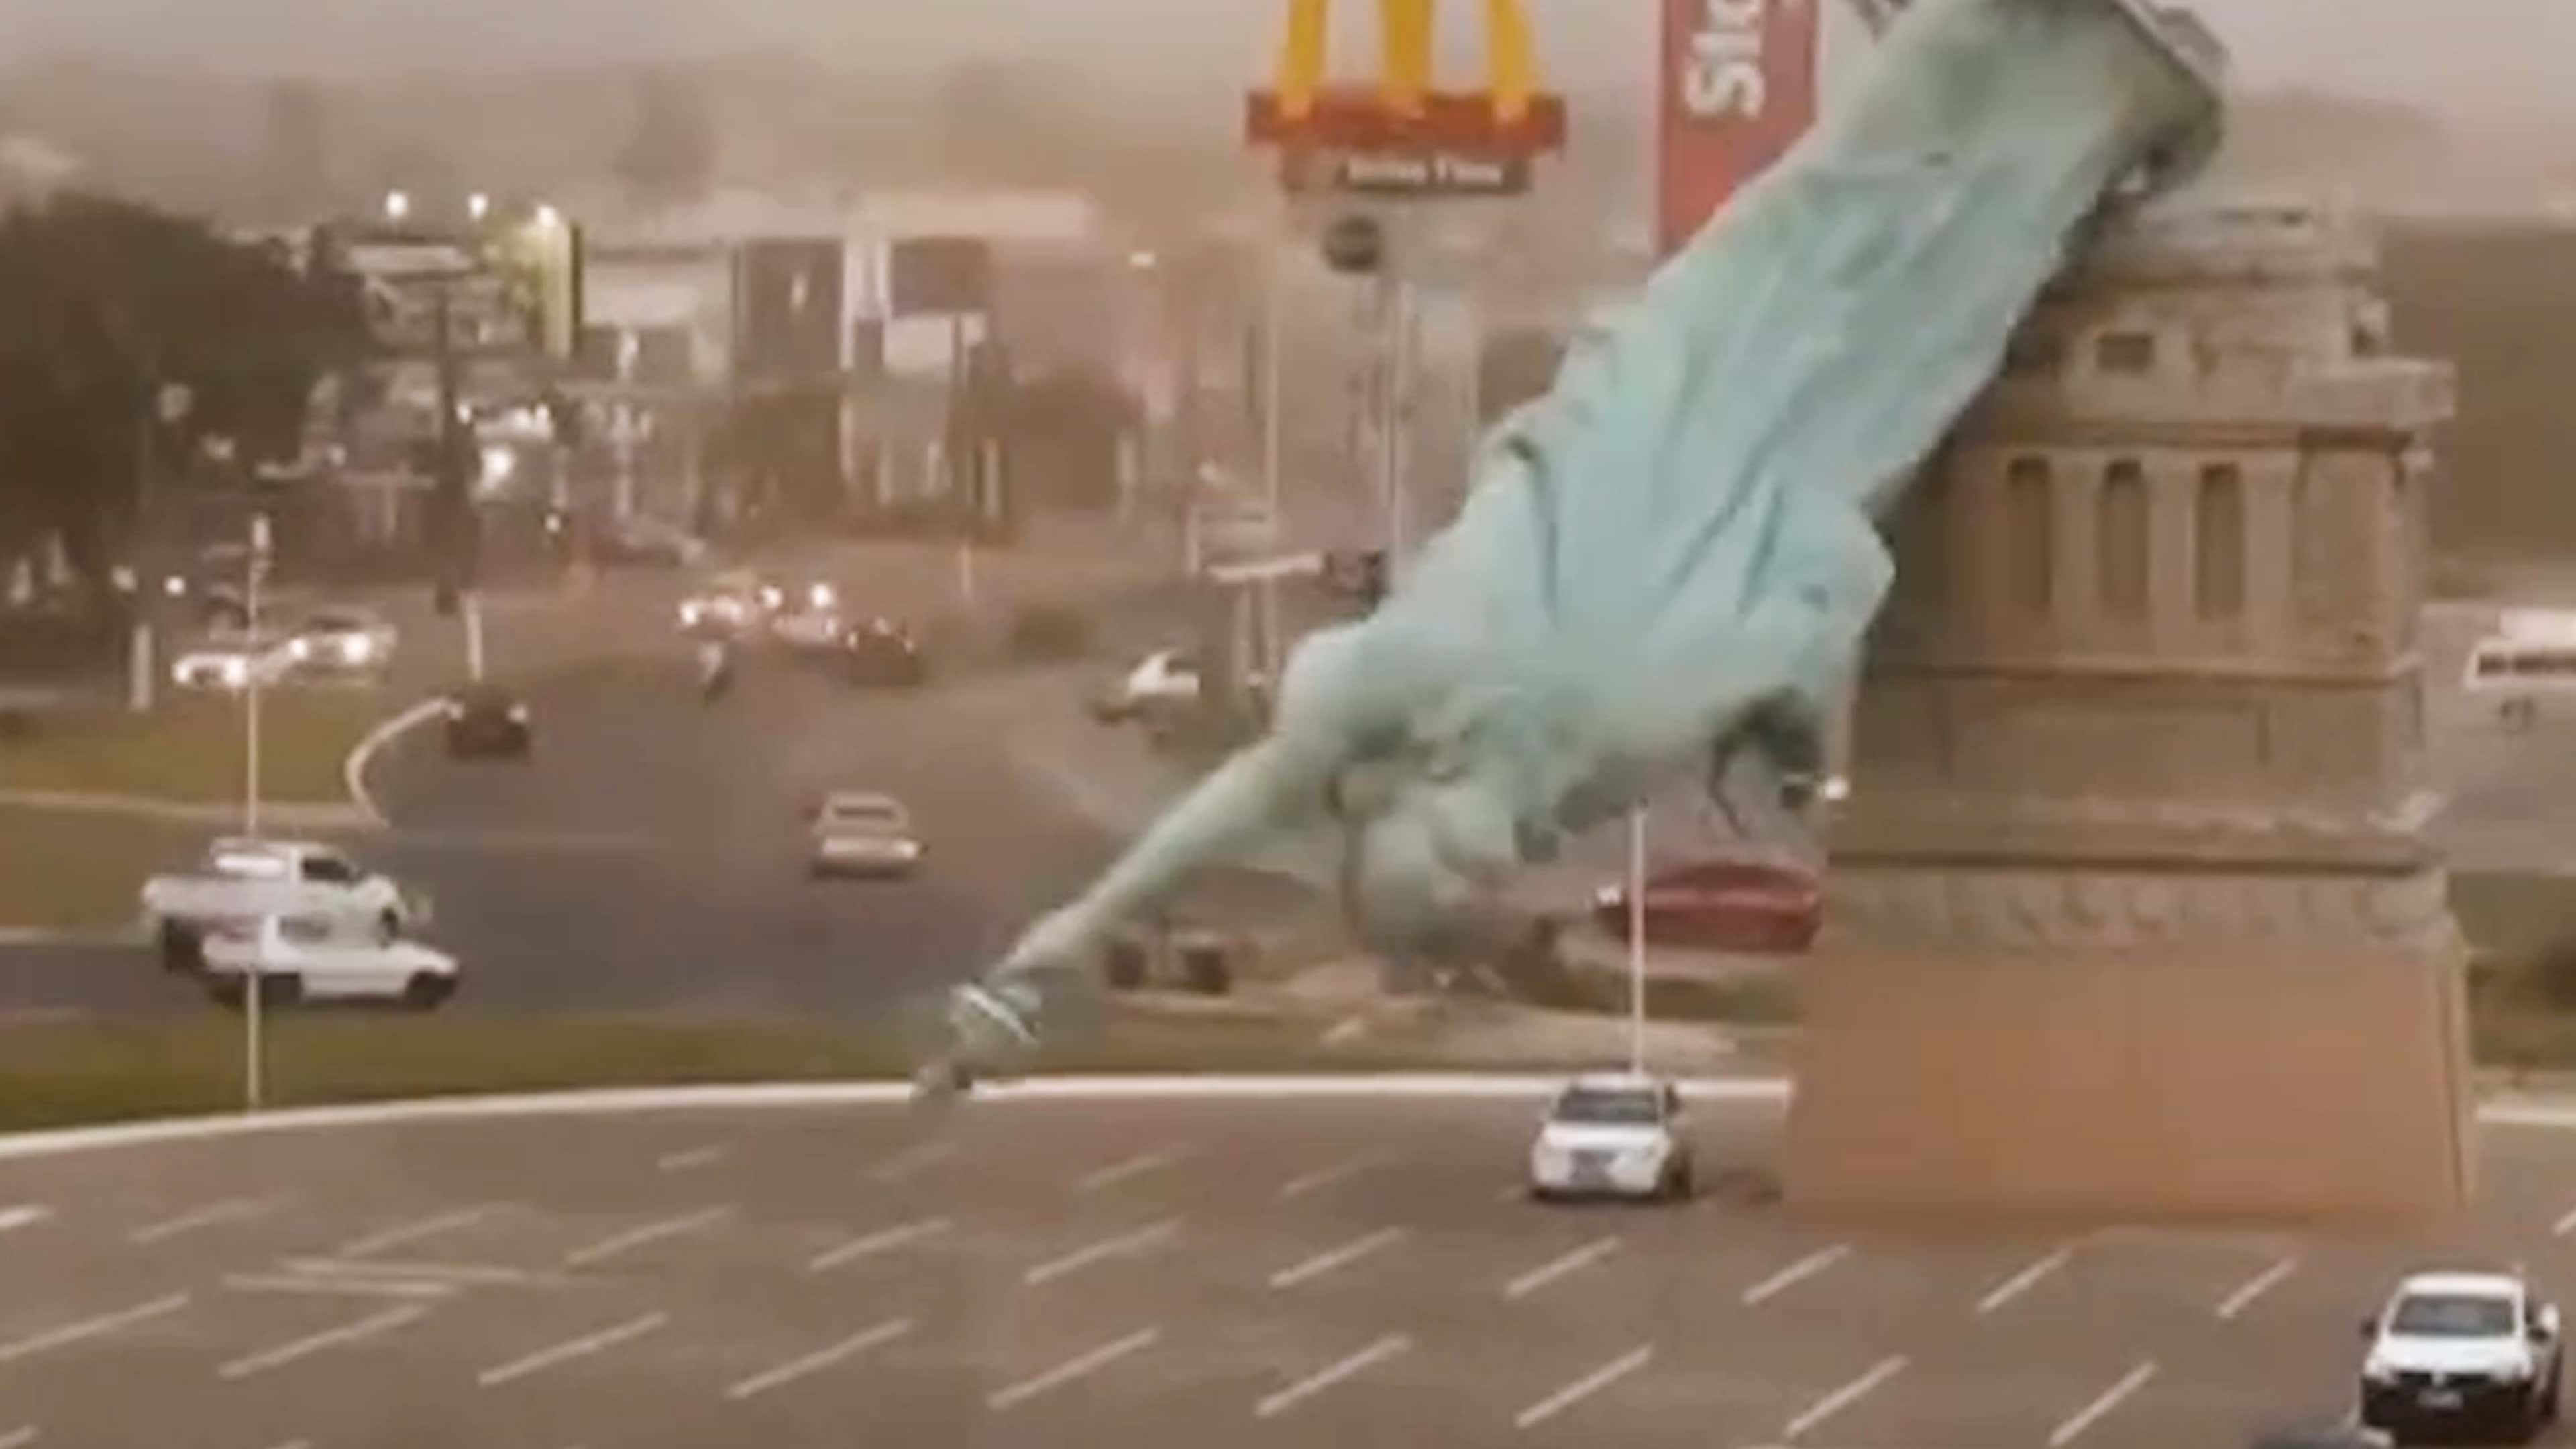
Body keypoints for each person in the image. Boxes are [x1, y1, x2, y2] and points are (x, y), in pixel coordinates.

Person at [922, 0, 2226, 1095]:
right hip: (1787, 469)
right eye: (1480, 888)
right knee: (1940, 307)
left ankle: (1989, 31)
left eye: (1441, 864)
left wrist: (1066, 943)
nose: (1486, 864)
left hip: (1667, 401)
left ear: (1399, 801)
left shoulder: (1392, 688)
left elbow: (1222, 816)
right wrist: (1785, 713)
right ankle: (2092, 112)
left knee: (1834, 213)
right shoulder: (1594, 768)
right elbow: (1789, 628)